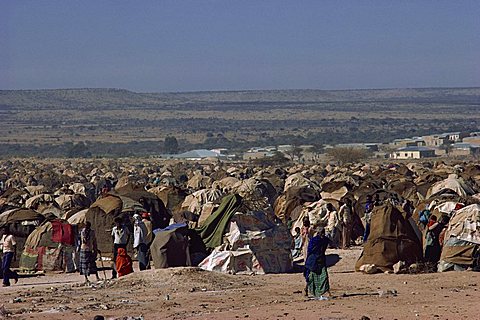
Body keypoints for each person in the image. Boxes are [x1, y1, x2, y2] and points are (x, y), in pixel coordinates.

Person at [304, 227, 331, 300]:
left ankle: (327, 291)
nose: (322, 234)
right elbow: (310, 250)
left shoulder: (323, 240)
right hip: (313, 259)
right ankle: (306, 289)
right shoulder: (315, 240)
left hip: (320, 259)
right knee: (310, 276)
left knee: (324, 276)